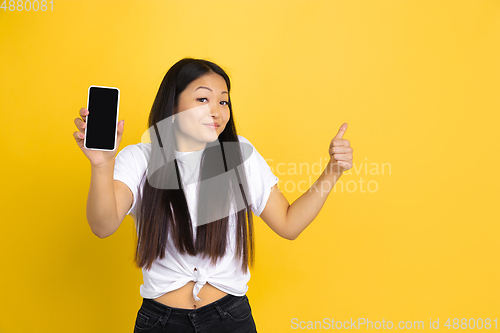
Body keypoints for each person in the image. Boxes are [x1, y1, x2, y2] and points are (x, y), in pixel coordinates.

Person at [73, 58, 353, 332]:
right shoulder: (140, 158)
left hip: (230, 319)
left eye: (223, 101)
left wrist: (332, 171)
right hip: (160, 322)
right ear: (173, 105)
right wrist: (102, 165)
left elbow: (289, 224)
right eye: (203, 100)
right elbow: (102, 226)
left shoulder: (239, 154)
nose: (217, 111)